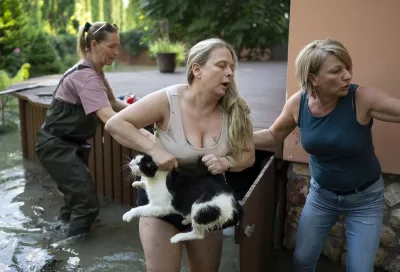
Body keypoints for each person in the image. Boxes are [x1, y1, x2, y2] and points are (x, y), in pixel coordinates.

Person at [105, 38, 255, 272]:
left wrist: (226, 162)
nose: (229, 73)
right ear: (197, 69)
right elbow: (116, 124)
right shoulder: (167, 100)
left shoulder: (236, 110)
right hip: (160, 204)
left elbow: (248, 156)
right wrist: (155, 150)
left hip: (206, 204)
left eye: (232, 68)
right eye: (221, 65)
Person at [253, 38, 400, 272]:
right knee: (302, 261)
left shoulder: (361, 99)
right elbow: (273, 135)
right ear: (313, 77)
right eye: (336, 71)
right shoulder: (297, 104)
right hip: (322, 196)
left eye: (347, 68)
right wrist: (232, 138)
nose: (347, 76)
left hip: (364, 199)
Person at [35, 21, 151, 238]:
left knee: (74, 200)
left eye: (118, 46)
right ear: (95, 44)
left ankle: (58, 234)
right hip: (57, 146)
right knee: (87, 205)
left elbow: (113, 103)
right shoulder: (86, 76)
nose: (117, 52)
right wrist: (146, 138)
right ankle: (73, 253)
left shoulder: (95, 72)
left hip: (67, 144)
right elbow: (109, 117)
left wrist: (146, 113)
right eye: (112, 47)